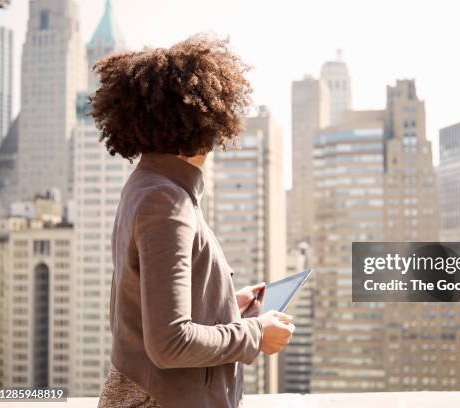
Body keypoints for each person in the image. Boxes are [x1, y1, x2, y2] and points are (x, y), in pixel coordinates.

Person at [92, 34, 295, 408]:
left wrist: (226, 303)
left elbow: (147, 302)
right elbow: (169, 343)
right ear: (205, 121)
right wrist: (255, 334)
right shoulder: (164, 200)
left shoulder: (149, 186)